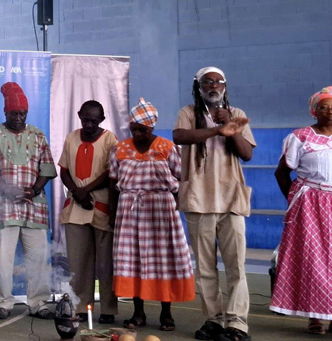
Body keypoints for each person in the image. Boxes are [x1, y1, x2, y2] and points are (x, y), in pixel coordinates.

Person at [174, 67, 254, 341]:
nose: (214, 86)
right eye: (208, 82)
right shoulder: (188, 113)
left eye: (218, 82)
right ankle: (214, 320)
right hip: (199, 200)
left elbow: (246, 154)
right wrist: (217, 129)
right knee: (205, 268)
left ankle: (237, 324)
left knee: (236, 266)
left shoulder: (237, 113)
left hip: (231, 200)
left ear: (225, 86)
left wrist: (231, 128)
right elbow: (179, 137)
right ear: (198, 86)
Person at [109, 98, 194, 332]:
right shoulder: (120, 149)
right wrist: (112, 214)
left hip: (161, 211)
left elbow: (181, 180)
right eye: (133, 129)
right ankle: (138, 313)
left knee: (164, 261)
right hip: (129, 212)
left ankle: (166, 314)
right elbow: (112, 183)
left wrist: (177, 208)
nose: (137, 133)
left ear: (152, 126)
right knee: (133, 261)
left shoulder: (167, 148)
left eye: (142, 129)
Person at [0, 81, 57, 321]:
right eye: (14, 113)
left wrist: (34, 190)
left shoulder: (37, 135)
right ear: (5, 112)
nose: (19, 118)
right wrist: (9, 190)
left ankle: (39, 303)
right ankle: (2, 303)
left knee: (38, 258)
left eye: (23, 113)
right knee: (2, 258)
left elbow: (47, 168)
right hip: (2, 208)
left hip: (34, 208)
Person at [270, 86, 332, 334]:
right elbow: (282, 172)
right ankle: (314, 317)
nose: (329, 112)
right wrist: (295, 201)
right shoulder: (300, 136)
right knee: (312, 260)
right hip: (309, 205)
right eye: (324, 107)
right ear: (314, 111)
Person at [58, 100, 118, 324]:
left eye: (94, 121)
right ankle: (81, 307)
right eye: (85, 120)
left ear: (102, 120)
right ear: (79, 115)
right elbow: (64, 170)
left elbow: (111, 173)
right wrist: (76, 192)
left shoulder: (110, 140)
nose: (89, 125)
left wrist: (86, 190)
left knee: (106, 263)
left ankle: (109, 309)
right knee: (79, 262)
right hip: (76, 207)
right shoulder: (71, 138)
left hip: (101, 207)